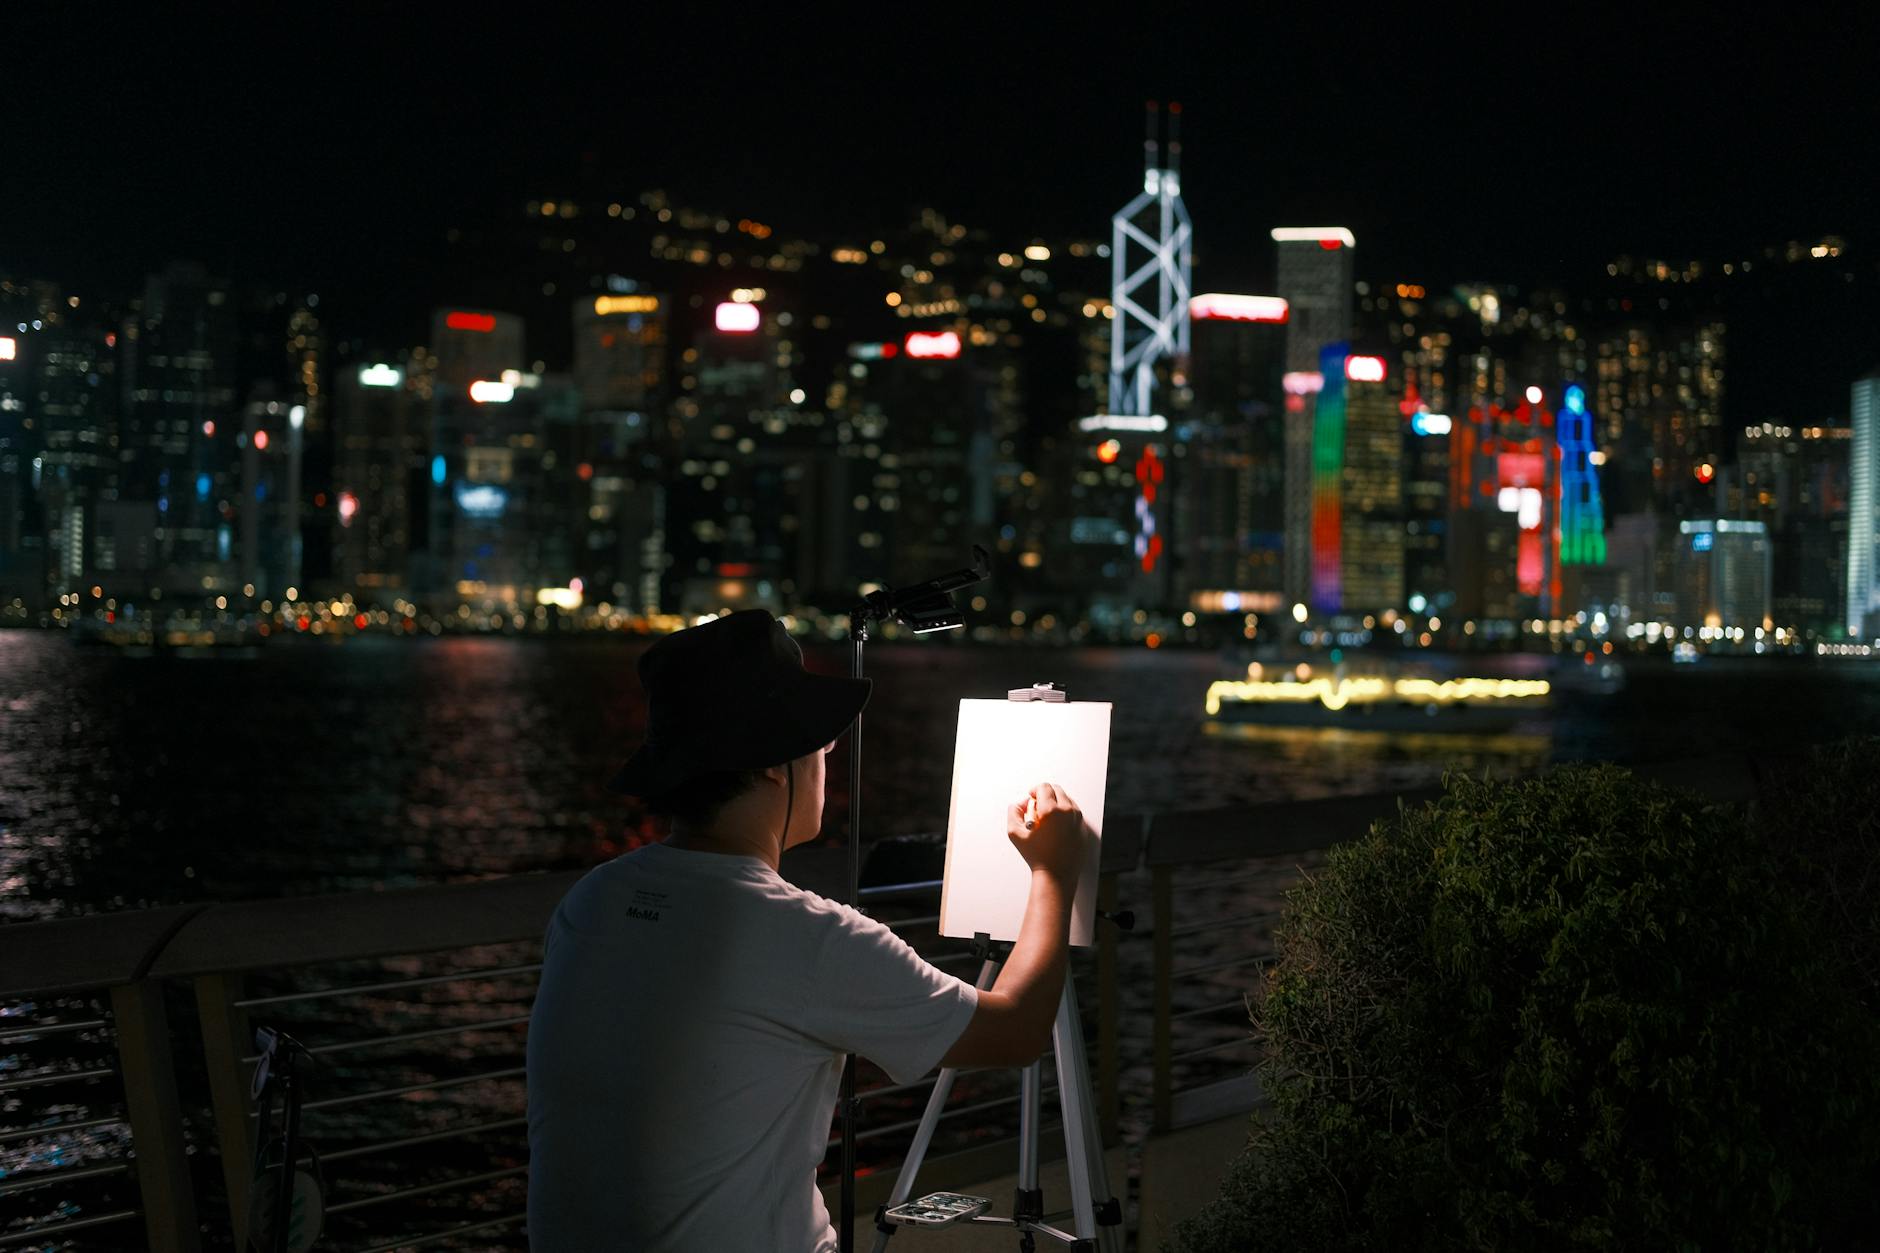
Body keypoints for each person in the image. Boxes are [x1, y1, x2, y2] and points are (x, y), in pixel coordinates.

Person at [526, 609, 1086, 1252]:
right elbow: (1015, 1031)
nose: (826, 762)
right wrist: (1053, 871)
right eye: (822, 748)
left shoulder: (592, 899)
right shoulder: (802, 936)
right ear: (775, 765)